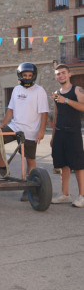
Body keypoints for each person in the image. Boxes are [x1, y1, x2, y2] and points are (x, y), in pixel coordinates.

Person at [0, 62, 49, 201]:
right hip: (14, 127)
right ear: (20, 76)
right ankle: (2, 167)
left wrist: (41, 131)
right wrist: (2, 124)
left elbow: (44, 113)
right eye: (24, 75)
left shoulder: (39, 91)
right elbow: (10, 110)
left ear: (34, 76)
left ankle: (29, 188)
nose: (27, 78)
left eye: (29, 75)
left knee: (30, 161)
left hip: (30, 131)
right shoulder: (16, 90)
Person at [50, 64, 84, 208]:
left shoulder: (77, 90)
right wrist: (52, 136)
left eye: (63, 73)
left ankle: (82, 196)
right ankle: (65, 194)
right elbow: (57, 114)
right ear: (56, 76)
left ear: (69, 74)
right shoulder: (56, 92)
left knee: (78, 165)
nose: (61, 76)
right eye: (58, 74)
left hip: (73, 132)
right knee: (62, 164)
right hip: (59, 133)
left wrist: (67, 100)